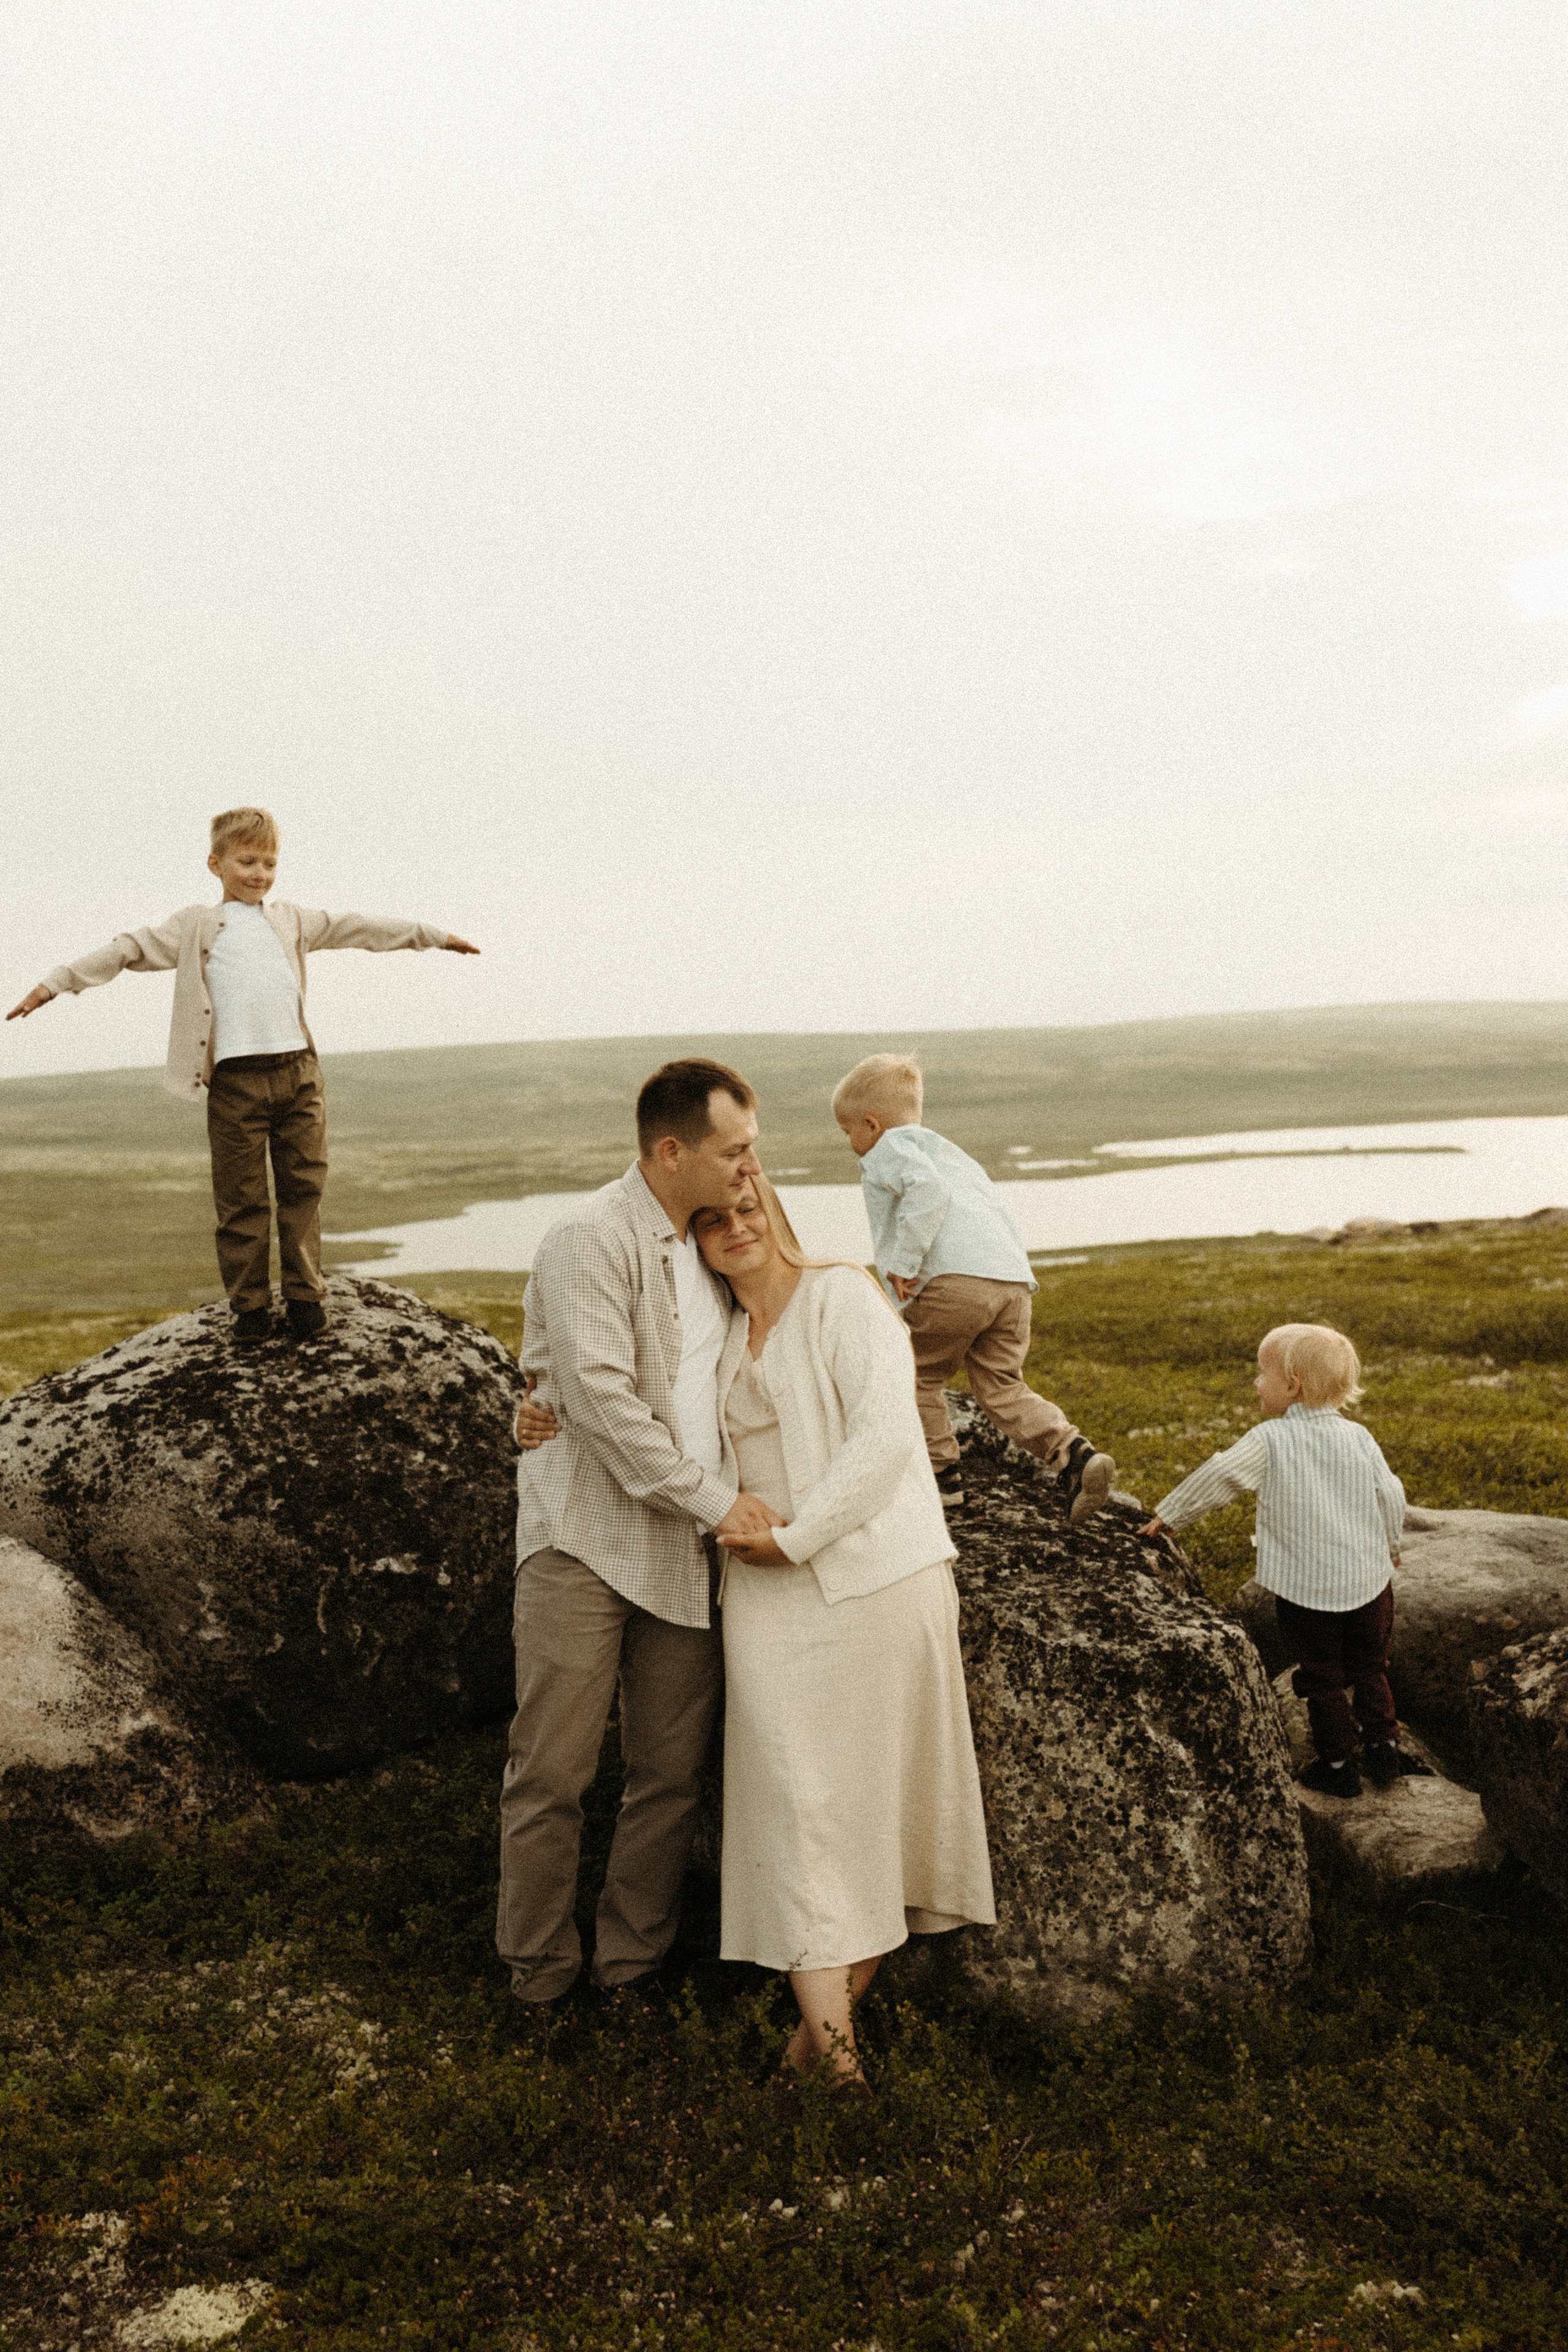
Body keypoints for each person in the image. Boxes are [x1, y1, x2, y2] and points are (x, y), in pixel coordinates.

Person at [519, 1174, 997, 2089]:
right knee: (795, 1814)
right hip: (765, 1601)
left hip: (874, 1580)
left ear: (779, 1216)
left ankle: (820, 2056)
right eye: (711, 1221)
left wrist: (797, 1536)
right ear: (694, 1242)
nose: (734, 1229)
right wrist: (540, 1406)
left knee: (879, 1820)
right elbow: (613, 1384)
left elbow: (887, 1439)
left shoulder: (843, 1294)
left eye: (749, 1211)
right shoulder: (717, 1328)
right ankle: (830, 2056)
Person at [497, 1059, 785, 2007]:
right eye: (733, 1149)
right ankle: (539, 1978)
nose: (751, 1165)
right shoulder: (589, 1238)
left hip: (684, 1551)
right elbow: (603, 1400)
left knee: (667, 1775)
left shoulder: (716, 1238)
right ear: (672, 1152)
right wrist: (714, 1502)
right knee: (554, 1772)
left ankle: (630, 1971)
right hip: (583, 1536)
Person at [6, 806, 477, 1341]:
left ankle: (305, 1298)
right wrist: (53, 984)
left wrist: (434, 936)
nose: (260, 873)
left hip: (299, 1072)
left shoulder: (293, 919)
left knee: (304, 1188)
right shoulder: (196, 926)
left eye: (270, 863)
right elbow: (126, 949)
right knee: (242, 1200)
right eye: (247, 861)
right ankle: (250, 1309)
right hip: (235, 1083)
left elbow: (360, 927)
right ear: (216, 864)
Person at [1140, 1322, 1426, 1799]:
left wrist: (1171, 1513)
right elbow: (1391, 1493)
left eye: (1262, 1373)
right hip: (1369, 1582)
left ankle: (1338, 1764)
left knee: (1322, 1677)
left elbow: (1222, 1475)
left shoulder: (1270, 1440)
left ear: (1292, 1385)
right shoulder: (1359, 1437)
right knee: (1370, 1666)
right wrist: (1390, 1548)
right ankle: (1383, 1750)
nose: (1256, 1383)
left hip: (1306, 1589)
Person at [832, 1052, 1114, 1522]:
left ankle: (942, 1479)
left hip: (954, 1284)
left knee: (916, 1373)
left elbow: (927, 1193)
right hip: (1012, 1286)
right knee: (1003, 1384)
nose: (850, 1144)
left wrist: (903, 1262)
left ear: (872, 1123)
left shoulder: (891, 1148)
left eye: (848, 1132)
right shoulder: (953, 1154)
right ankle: (1073, 1454)